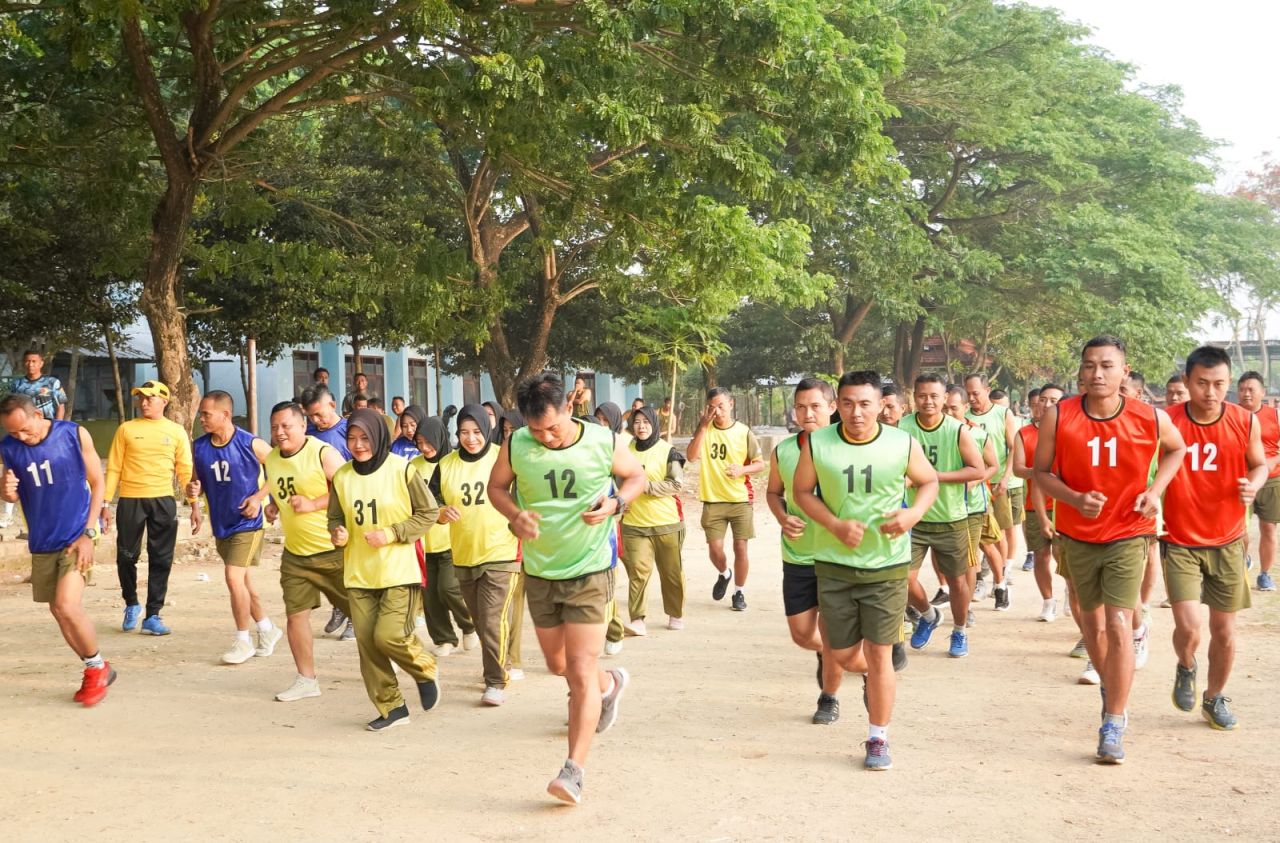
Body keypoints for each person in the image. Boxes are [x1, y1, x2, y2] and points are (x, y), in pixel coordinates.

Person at [489, 371, 645, 805]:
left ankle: (573, 771)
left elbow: (637, 478)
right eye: (536, 430)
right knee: (560, 665)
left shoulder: (602, 440)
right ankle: (609, 685)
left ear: (570, 408)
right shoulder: (517, 444)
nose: (547, 439)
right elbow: (496, 488)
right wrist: (513, 514)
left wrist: (617, 502)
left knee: (577, 672)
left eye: (553, 428)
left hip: (591, 570)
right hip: (541, 572)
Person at [1034, 335, 1185, 764]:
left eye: (1106, 365)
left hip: (1129, 532)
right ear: (1080, 371)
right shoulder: (1059, 415)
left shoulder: (1150, 418)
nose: (1096, 374)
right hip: (1078, 535)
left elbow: (1177, 450)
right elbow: (1041, 474)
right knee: (1090, 624)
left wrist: (1156, 491)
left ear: (1124, 370)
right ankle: (1110, 685)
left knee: (1119, 624)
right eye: (1088, 366)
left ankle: (1113, 721)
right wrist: (1075, 499)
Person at [793, 370, 939, 771]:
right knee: (838, 654)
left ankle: (878, 737)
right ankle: (875, 685)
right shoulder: (818, 443)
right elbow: (802, 492)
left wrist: (912, 515)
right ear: (837, 405)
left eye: (865, 404)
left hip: (887, 566)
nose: (856, 412)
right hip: (835, 565)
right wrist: (836, 525)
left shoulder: (901, 442)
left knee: (879, 654)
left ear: (880, 405)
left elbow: (928, 483)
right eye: (848, 403)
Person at [1162, 346, 1263, 731]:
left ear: (1229, 384)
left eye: (1219, 384)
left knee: (1224, 631)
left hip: (1228, 539)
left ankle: (1214, 697)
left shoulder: (1244, 421)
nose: (1210, 392)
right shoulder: (1166, 421)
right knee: (1189, 628)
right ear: (1187, 382)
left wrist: (1252, 486)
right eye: (1201, 383)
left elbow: (1258, 464)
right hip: (1181, 540)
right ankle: (1186, 665)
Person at [328, 409, 442, 731]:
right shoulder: (342, 477)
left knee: (388, 636)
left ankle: (424, 667)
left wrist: (391, 533)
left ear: (379, 436)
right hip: (359, 574)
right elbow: (335, 518)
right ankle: (392, 707)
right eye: (352, 438)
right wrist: (337, 533)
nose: (358, 444)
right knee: (367, 642)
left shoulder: (402, 470)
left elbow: (428, 513)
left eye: (365, 437)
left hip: (398, 571)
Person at [0, 394, 111, 706]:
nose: (22, 437)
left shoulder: (73, 434)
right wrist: (5, 492)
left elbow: (97, 482)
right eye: (13, 433)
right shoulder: (8, 449)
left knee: (67, 604)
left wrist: (90, 531)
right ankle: (96, 666)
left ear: (37, 414)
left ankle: (97, 670)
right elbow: (12, 493)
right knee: (58, 611)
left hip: (78, 533)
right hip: (42, 539)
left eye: (25, 429)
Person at [766, 378, 847, 724]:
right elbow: (773, 493)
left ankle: (829, 696)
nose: (807, 413)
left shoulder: (849, 447)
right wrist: (783, 517)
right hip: (798, 554)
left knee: (831, 632)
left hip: (839, 556)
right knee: (802, 635)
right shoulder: (784, 451)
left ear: (832, 407)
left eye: (815, 406)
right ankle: (836, 656)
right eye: (800, 406)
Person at [263, 402, 352, 702]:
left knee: (364, 616)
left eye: (286, 426)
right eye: (275, 427)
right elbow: (281, 490)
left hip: (333, 551)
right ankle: (306, 679)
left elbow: (349, 488)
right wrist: (274, 505)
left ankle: (387, 661)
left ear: (303, 425)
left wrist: (313, 504)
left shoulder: (321, 452)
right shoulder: (273, 459)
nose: (279, 432)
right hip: (296, 554)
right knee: (295, 616)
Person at [187, 391, 282, 664]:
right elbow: (197, 483)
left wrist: (260, 498)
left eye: (206, 414)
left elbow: (281, 470)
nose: (201, 419)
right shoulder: (200, 447)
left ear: (225, 414)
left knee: (232, 577)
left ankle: (243, 640)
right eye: (200, 414)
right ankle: (267, 628)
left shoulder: (251, 443)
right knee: (243, 583)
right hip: (221, 523)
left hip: (248, 523)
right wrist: (194, 496)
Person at [436, 405, 520, 705]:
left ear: (487, 430)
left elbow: (525, 492)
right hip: (464, 555)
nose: (470, 438)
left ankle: (495, 681)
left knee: (491, 619)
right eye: (463, 433)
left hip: (502, 551)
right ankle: (503, 662)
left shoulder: (504, 456)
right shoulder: (445, 465)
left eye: (476, 432)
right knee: (480, 619)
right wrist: (441, 512)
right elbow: (431, 503)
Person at [900, 374, 984, 658]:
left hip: (951, 517)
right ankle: (928, 615)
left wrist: (932, 477)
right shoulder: (902, 427)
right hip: (914, 517)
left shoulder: (957, 431)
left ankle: (959, 630)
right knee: (902, 577)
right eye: (922, 395)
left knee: (958, 582)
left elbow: (977, 469)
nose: (928, 401)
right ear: (914, 397)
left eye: (934, 396)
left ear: (945, 397)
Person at [102, 380, 193, 636]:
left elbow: (184, 469)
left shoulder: (176, 431)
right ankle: (131, 603)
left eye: (149, 398)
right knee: (126, 556)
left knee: (161, 557)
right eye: (141, 398)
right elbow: (114, 467)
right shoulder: (126, 429)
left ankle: (153, 614)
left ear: (164, 401)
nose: (144, 402)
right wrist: (105, 502)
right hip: (131, 500)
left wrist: (195, 504)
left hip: (162, 500)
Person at [687, 388, 765, 611]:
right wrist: (702, 426)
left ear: (731, 404)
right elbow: (692, 457)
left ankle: (739, 592)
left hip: (740, 499)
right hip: (712, 500)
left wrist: (742, 470)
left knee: (741, 547)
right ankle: (724, 573)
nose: (717, 411)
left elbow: (760, 464)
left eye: (721, 405)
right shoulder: (706, 429)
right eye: (712, 407)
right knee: (715, 550)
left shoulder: (743, 431)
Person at [409, 416, 477, 658]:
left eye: (429, 442)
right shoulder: (413, 466)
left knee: (448, 588)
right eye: (420, 442)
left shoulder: (451, 463)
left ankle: (469, 624)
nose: (424, 448)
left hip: (449, 540)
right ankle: (444, 638)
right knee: (430, 596)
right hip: (423, 543)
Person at [621, 405, 687, 635]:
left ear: (654, 424)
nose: (641, 427)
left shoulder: (668, 451)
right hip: (633, 524)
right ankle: (637, 619)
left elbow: (677, 484)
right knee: (637, 573)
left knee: (671, 573)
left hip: (666, 523)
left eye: (646, 422)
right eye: (637, 422)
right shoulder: (624, 450)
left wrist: (645, 486)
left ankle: (675, 613)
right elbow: (617, 478)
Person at [300, 385, 356, 639]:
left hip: (350, 504)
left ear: (332, 405)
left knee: (349, 565)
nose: (316, 420)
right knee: (328, 566)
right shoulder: (308, 435)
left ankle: (355, 617)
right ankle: (339, 607)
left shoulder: (350, 431)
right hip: (320, 509)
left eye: (319, 414)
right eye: (311, 416)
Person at [1012, 383, 1066, 622]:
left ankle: (1071, 592)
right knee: (1041, 555)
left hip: (1065, 505)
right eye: (1043, 400)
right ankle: (1048, 601)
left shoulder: (1070, 431)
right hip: (1036, 505)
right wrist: (1041, 472)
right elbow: (1018, 469)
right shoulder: (1024, 433)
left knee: (1063, 555)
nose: (1047, 405)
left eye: (1054, 400)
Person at [965, 374, 1017, 609]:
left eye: (976, 392)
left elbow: (1014, 447)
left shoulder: (1002, 413)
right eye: (969, 393)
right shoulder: (962, 417)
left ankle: (1002, 579)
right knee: (978, 540)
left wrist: (1005, 477)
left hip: (997, 482)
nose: (972, 397)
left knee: (999, 534)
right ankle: (981, 581)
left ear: (987, 390)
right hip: (973, 486)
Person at [1237, 371, 1280, 592]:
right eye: (1242, 389)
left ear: (1262, 392)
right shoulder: (1231, 415)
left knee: (1269, 528)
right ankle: (1243, 560)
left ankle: (1265, 575)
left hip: (1271, 480)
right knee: (1239, 529)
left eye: (1251, 389)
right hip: (1240, 479)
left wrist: (1274, 460)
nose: (1246, 394)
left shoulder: (1275, 415)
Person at [11, 349, 67, 421]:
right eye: (27, 361)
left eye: (34, 361)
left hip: (47, 426)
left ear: (41, 363)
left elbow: (61, 407)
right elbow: (14, 407)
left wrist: (57, 426)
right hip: (26, 426)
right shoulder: (17, 384)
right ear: (23, 363)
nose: (30, 364)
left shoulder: (52, 382)